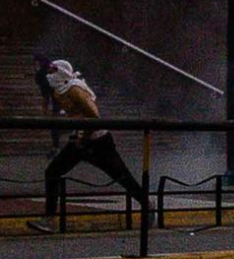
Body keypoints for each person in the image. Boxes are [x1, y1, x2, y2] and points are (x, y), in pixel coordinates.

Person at [34, 58, 150, 229]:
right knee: (53, 171)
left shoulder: (74, 88)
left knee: (121, 175)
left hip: (97, 141)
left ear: (61, 72)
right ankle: (50, 219)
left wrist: (83, 135)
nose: (49, 75)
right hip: (79, 140)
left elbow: (93, 115)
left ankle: (147, 205)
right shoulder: (60, 90)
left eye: (52, 71)